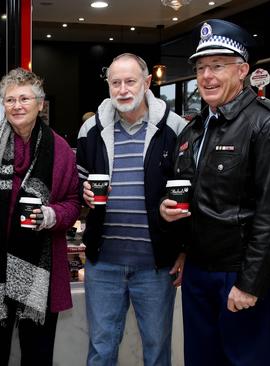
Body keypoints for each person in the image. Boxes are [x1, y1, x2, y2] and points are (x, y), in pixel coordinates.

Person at [159, 19, 270, 365]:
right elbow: (195, 198)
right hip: (197, 274)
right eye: (201, 67)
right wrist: (175, 229)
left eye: (217, 66)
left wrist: (251, 282)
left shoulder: (268, 123)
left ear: (242, 71)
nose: (206, 75)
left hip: (239, 274)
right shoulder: (193, 130)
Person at [0, 68, 80, 366]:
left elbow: (74, 202)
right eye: (10, 99)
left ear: (40, 104)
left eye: (25, 98)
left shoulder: (60, 150)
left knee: (38, 355)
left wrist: (52, 215)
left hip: (40, 269)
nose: (17, 105)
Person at [76, 53, 187, 366]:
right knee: (101, 349)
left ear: (147, 83)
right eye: (115, 83)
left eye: (130, 81)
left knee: (156, 351)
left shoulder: (175, 128)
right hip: (103, 264)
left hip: (155, 266)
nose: (123, 89)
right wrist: (83, 195)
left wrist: (182, 249)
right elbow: (76, 187)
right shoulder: (91, 130)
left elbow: (189, 195)